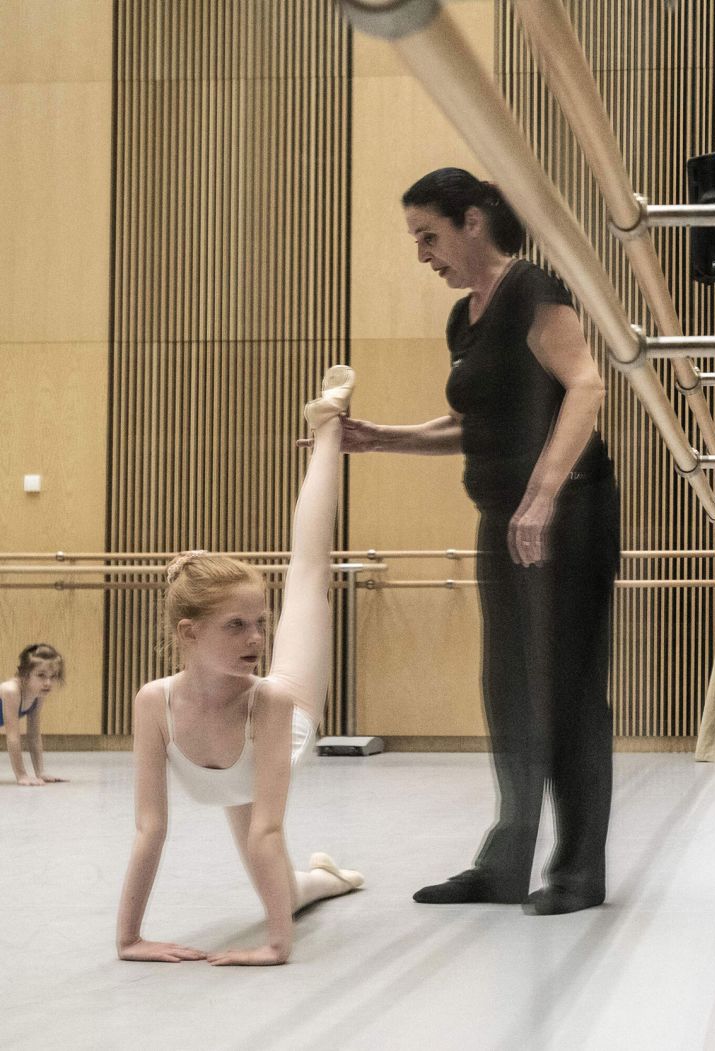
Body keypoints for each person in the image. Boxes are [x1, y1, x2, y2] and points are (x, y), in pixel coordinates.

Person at [341, 167, 618, 914]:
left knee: (567, 689)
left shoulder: (533, 288)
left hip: (570, 514)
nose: (422, 253)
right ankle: (507, 860)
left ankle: (579, 869)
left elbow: (586, 386)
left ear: (472, 222)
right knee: (509, 690)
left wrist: (543, 495)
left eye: (428, 235)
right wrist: (379, 439)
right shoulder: (465, 319)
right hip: (507, 517)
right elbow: (477, 426)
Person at [115, 367, 364, 966]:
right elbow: (151, 828)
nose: (257, 638)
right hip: (235, 761)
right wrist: (129, 939)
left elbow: (266, 828)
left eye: (260, 623)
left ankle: (327, 426)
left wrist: (277, 945)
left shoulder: (272, 698)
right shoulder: (155, 702)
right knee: (287, 887)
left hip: (277, 727)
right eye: (236, 626)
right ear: (188, 633)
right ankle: (331, 878)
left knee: (308, 574)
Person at [2, 643, 68, 786]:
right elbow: (13, 737)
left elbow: (33, 734)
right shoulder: (11, 691)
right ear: (25, 674)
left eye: (53, 676)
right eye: (41, 675)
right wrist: (22, 775)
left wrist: (40, 772)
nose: (48, 683)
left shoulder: (38, 694)